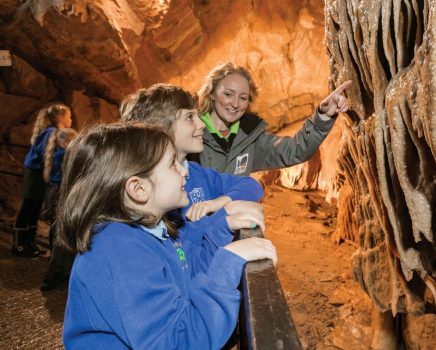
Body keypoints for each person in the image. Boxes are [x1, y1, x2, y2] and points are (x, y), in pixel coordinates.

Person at [55, 123, 277, 349]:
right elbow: (178, 342)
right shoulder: (119, 250)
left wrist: (222, 228)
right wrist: (228, 262)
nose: (184, 171)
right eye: (173, 164)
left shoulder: (153, 229)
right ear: (139, 189)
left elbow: (188, 271)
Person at [119, 84, 264, 238]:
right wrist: (224, 215)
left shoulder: (196, 172)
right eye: (189, 118)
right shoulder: (156, 187)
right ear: (158, 129)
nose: (202, 124)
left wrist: (219, 202)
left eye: (198, 116)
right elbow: (183, 243)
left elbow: (252, 186)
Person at [196, 62, 350, 175]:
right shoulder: (190, 132)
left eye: (243, 98)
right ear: (212, 93)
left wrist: (323, 117)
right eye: (228, 94)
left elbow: (294, 150)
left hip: (234, 218)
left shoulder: (250, 140)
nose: (235, 104)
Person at [12, 103, 72, 257]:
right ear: (61, 117)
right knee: (28, 208)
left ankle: (29, 243)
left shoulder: (51, 131)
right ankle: (19, 245)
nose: (70, 120)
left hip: (39, 174)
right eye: (69, 116)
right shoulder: (51, 132)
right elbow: (44, 154)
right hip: (35, 174)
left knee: (34, 209)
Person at [39, 127, 78, 291]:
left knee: (61, 235)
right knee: (62, 238)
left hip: (58, 194)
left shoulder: (56, 153)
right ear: (66, 142)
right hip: (63, 195)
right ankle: (53, 273)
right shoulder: (64, 156)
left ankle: (63, 271)